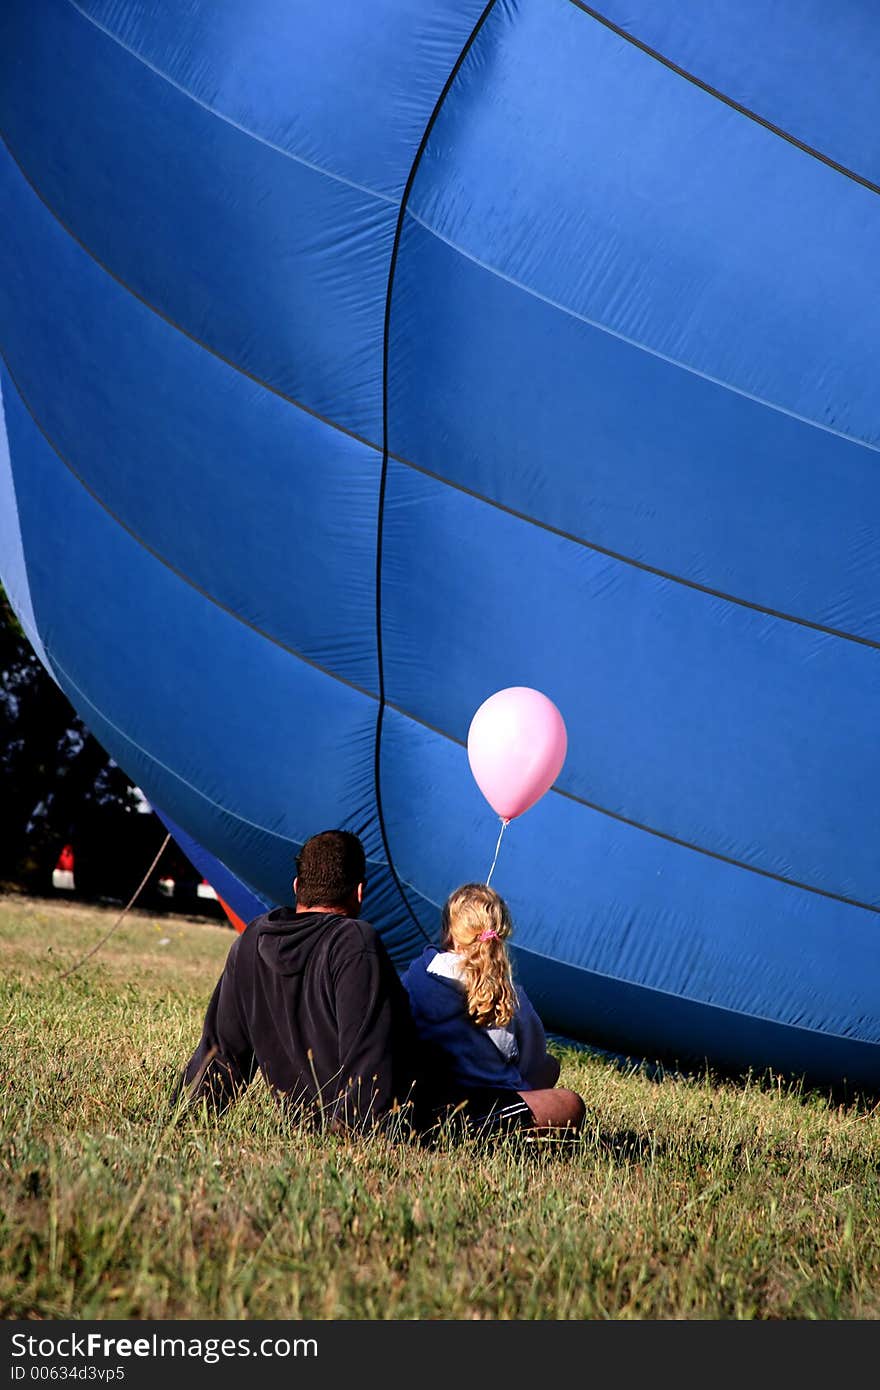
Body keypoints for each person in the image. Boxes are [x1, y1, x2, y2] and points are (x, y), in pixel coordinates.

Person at [177, 830, 421, 1133]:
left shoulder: (252, 940)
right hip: (377, 1129)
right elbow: (370, 1060)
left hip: (307, 1126)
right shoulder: (353, 942)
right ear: (360, 892)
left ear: (296, 887)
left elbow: (220, 1056)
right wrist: (353, 1142)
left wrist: (181, 1121)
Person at [402, 883, 585, 1134]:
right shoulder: (508, 995)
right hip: (488, 1106)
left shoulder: (417, 975)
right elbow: (531, 1063)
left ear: (448, 932)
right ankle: (495, 1128)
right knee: (564, 1093)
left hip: (425, 1100)